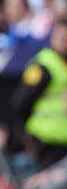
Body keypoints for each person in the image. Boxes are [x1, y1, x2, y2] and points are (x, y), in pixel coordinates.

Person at [12, 17, 67, 170]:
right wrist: (26, 132)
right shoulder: (43, 65)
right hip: (46, 139)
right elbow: (20, 101)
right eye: (61, 37)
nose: (64, 42)